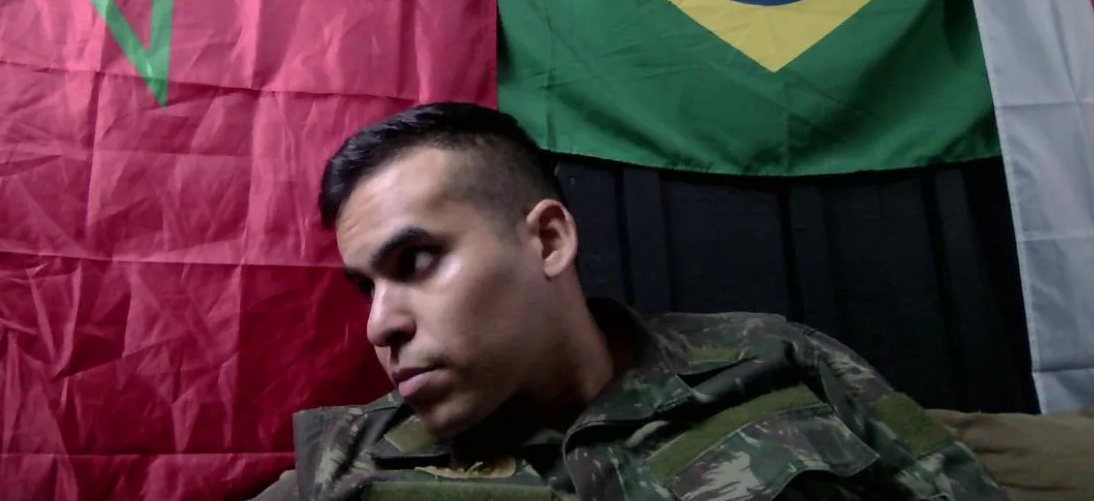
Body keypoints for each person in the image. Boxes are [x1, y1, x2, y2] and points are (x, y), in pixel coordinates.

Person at [253, 102, 1010, 500]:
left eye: (416, 262)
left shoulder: (779, 365)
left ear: (548, 241)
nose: (380, 323)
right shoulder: (344, 464)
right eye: (368, 286)